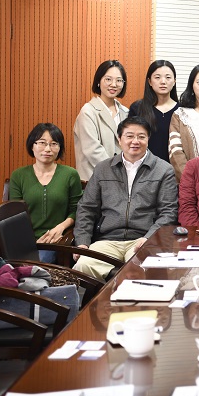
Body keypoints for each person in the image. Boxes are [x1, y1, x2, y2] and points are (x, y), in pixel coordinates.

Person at [72, 117, 178, 282]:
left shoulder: (164, 170)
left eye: (141, 136)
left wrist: (148, 238)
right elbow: (87, 208)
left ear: (148, 139)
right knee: (83, 266)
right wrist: (82, 242)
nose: (135, 141)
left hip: (142, 239)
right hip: (107, 240)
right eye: (129, 136)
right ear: (119, 139)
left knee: (142, 268)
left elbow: (168, 212)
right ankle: (96, 300)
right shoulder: (103, 168)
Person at [9, 123, 83, 264]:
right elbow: (14, 215)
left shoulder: (70, 174)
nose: (48, 149)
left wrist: (60, 228)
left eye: (54, 144)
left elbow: (77, 211)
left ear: (59, 148)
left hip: (55, 239)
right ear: (32, 145)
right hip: (24, 240)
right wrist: (30, 241)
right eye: (42, 143)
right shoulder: (18, 175)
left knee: (39, 263)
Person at [73, 59, 129, 181]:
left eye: (119, 80)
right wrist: (118, 174)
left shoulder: (126, 112)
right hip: (95, 179)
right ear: (98, 81)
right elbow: (93, 151)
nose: (113, 84)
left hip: (123, 180)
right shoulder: (88, 112)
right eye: (108, 79)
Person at [128, 60, 178, 162]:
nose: (163, 81)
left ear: (174, 81)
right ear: (150, 81)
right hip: (144, 167)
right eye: (157, 77)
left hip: (174, 169)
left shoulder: (182, 110)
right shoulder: (137, 108)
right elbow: (131, 141)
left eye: (168, 77)